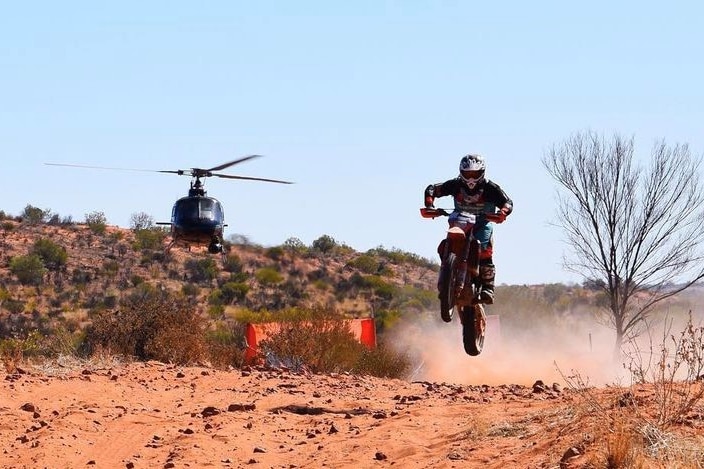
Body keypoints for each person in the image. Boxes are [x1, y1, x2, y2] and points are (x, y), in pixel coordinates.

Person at [423, 154, 513, 304]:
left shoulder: (490, 188)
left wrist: (503, 211)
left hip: (482, 223)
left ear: (482, 172)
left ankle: (488, 288)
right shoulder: (455, 184)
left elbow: (507, 201)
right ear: (461, 172)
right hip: (459, 222)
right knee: (446, 242)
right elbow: (433, 188)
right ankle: (447, 275)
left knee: (485, 251)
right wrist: (429, 203)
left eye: (474, 174)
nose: (471, 178)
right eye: (467, 173)